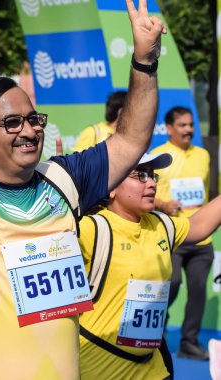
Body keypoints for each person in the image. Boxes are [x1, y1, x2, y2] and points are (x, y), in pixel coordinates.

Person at [0, 0, 166, 378]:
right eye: (13, 123)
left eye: (34, 119)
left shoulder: (64, 180)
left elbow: (132, 140)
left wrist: (144, 62)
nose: (30, 130)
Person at [78, 152, 221, 379]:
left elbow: (199, 225)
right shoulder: (90, 229)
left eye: (153, 176)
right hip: (100, 369)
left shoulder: (160, 224)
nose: (152, 182)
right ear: (111, 187)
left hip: (154, 369)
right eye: (140, 175)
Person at [151, 106, 213, 360]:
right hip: (172, 234)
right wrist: (164, 205)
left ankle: (189, 342)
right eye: (182, 125)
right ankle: (155, 331)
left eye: (191, 125)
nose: (188, 130)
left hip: (201, 238)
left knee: (198, 290)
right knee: (171, 284)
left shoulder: (204, 155)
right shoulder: (157, 156)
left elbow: (207, 192)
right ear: (168, 128)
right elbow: (143, 193)